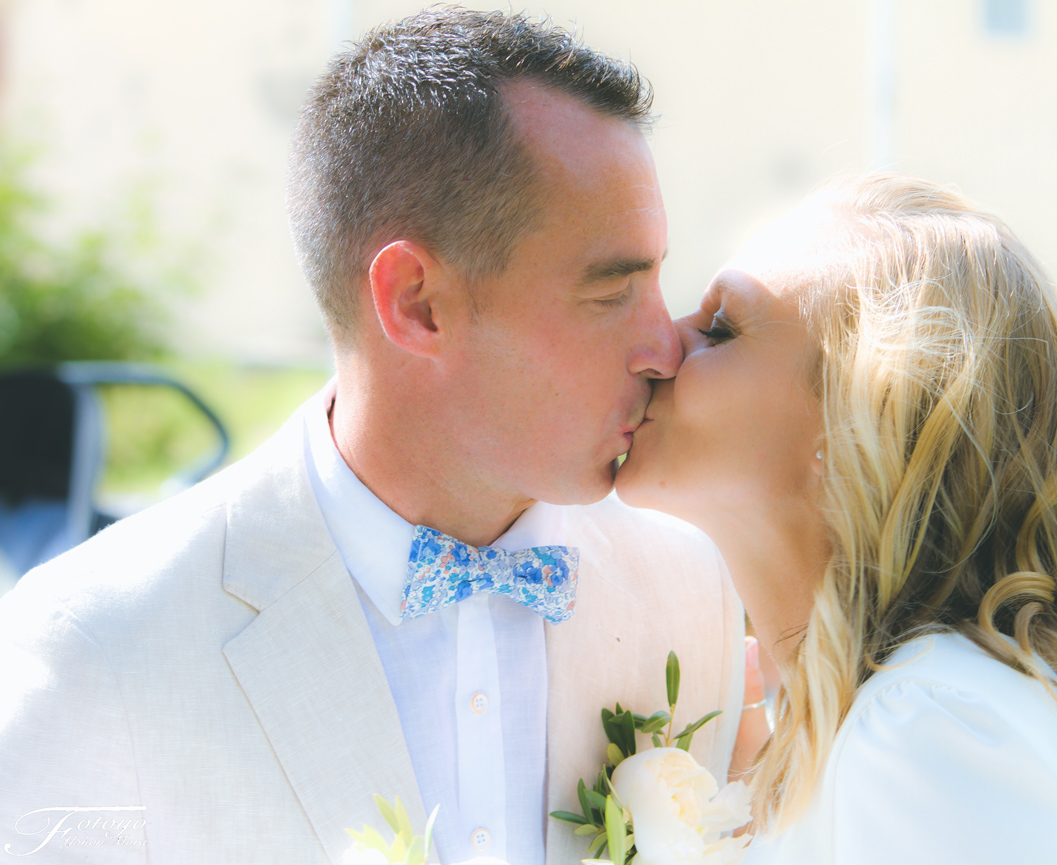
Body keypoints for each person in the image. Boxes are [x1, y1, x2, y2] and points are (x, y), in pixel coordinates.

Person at [0, 9, 756, 864]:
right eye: (611, 292)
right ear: (417, 304)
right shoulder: (95, 648)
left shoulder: (690, 590)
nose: (665, 346)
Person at [616, 173, 1057, 863]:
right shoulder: (875, 714)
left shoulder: (932, 723)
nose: (663, 345)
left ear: (855, 427)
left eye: (721, 330)